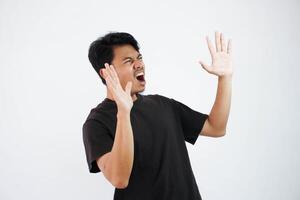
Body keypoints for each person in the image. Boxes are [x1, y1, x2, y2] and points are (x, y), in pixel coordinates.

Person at [82, 31, 233, 200]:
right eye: (128, 61)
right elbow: (119, 179)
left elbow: (216, 127)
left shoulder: (162, 105)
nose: (139, 64)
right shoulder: (97, 122)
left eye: (139, 57)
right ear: (106, 72)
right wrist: (123, 113)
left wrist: (225, 78)